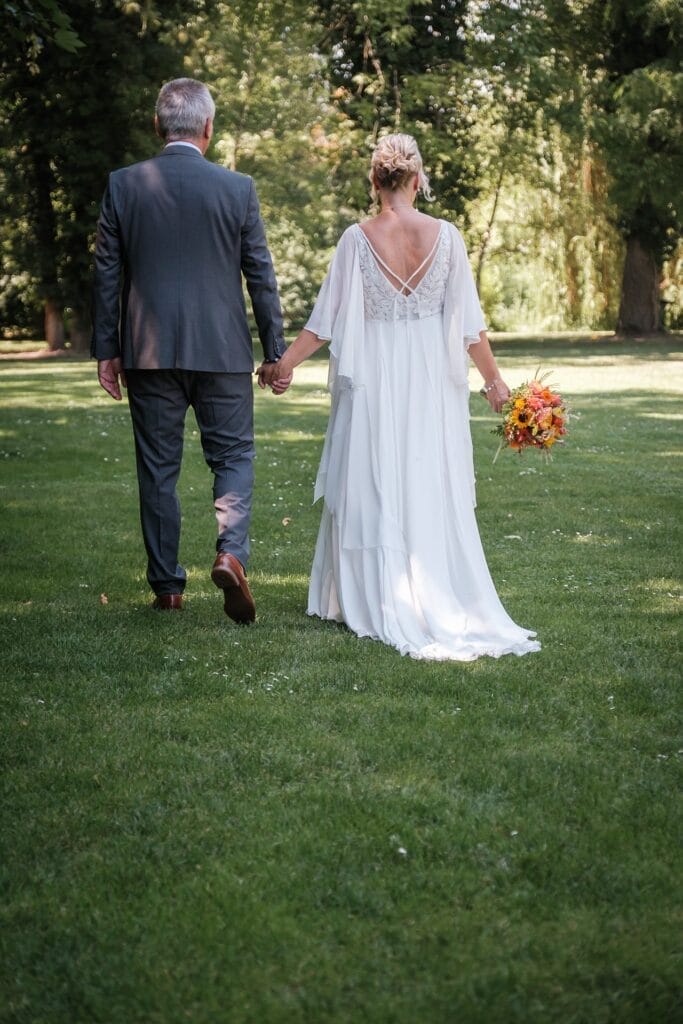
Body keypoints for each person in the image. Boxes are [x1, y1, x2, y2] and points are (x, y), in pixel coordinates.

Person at [260, 134, 540, 660]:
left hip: (375, 380)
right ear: (417, 180)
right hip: (431, 380)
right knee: (425, 475)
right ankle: (431, 589)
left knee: (374, 476)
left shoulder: (356, 239)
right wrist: (496, 382)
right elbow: (470, 328)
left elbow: (324, 324)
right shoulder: (449, 237)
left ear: (375, 182)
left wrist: (283, 366)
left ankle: (373, 593)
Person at [93, 78, 290, 620]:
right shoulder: (238, 188)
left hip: (148, 352)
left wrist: (107, 349)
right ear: (209, 128)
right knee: (233, 457)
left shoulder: (123, 185)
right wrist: (275, 349)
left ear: (159, 126)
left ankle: (168, 588)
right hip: (222, 349)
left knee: (158, 469)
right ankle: (230, 555)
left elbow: (107, 272)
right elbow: (261, 276)